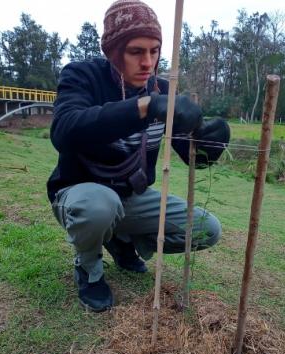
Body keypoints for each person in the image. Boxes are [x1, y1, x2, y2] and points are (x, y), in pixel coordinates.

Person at [48, 0, 231, 312]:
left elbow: (193, 158)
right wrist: (143, 108)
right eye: (136, 51)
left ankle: (122, 242)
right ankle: (89, 269)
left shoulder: (161, 88)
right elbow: (64, 131)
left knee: (206, 229)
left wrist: (211, 144)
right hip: (81, 195)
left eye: (155, 50)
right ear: (113, 51)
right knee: (98, 207)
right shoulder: (82, 76)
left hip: (131, 197)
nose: (148, 62)